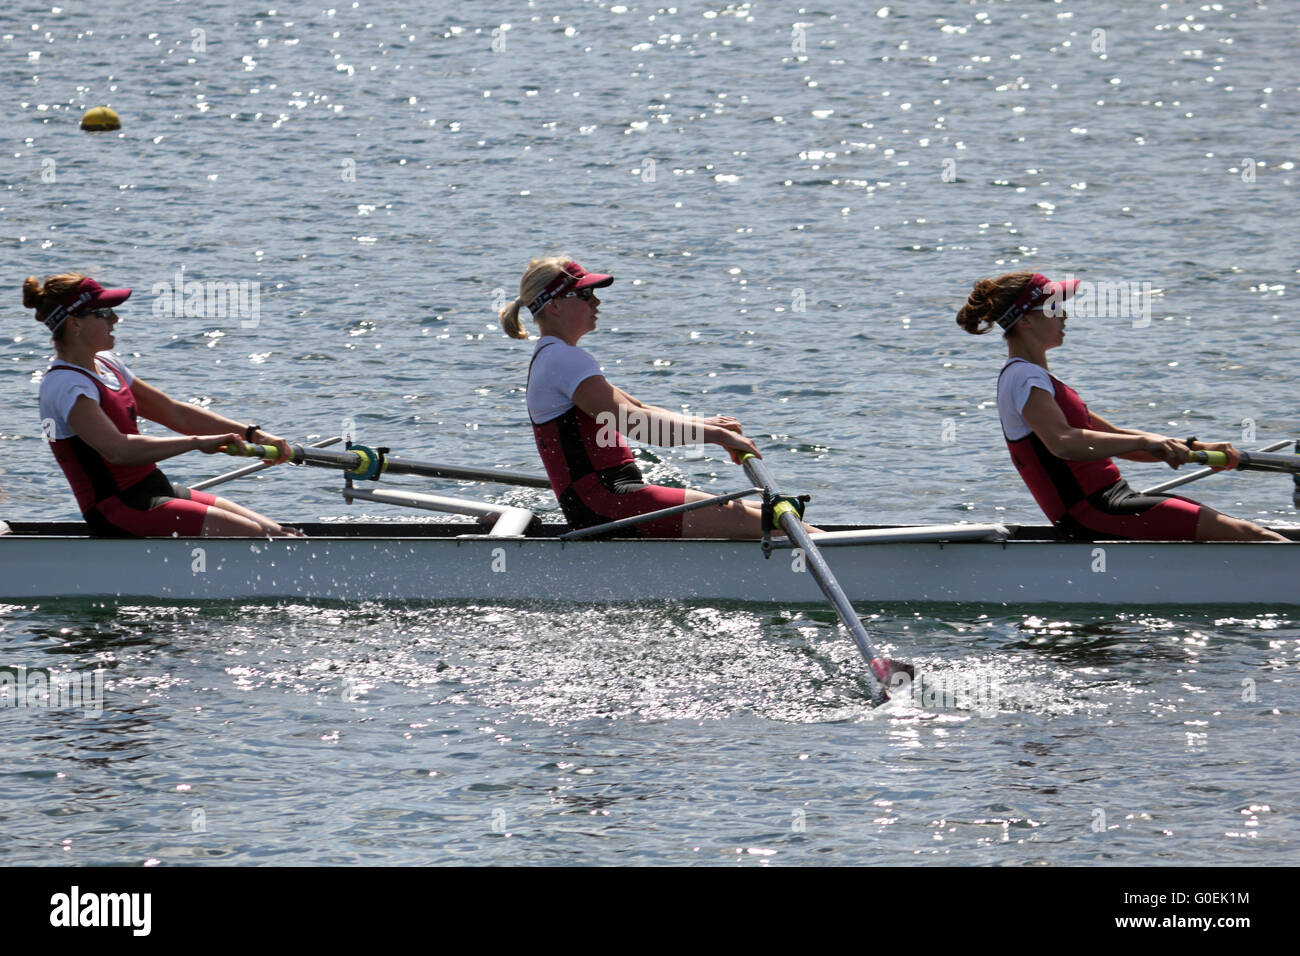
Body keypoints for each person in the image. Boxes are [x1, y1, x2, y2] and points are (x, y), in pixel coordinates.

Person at [956, 271, 1284, 541]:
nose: (1065, 314)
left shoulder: (1036, 378)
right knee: (1247, 533)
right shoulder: (1023, 378)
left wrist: (1193, 447)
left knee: (1238, 531)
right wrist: (1146, 442)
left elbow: (1114, 437)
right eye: (1054, 308)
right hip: (1094, 510)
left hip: (1112, 502)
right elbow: (1063, 443)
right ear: (1025, 320)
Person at [498, 256, 809, 538]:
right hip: (609, 506)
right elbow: (638, 425)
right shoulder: (563, 360)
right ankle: (849, 565)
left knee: (773, 516)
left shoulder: (555, 358)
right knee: (774, 521)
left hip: (608, 503)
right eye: (585, 294)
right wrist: (713, 435)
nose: (597, 302)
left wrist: (708, 424)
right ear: (554, 305)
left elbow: (639, 408)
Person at [23, 272, 299, 538]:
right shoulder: (66, 385)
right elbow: (118, 450)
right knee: (262, 540)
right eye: (104, 313)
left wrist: (253, 433)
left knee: (278, 533)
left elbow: (175, 413)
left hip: (156, 489)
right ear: (75, 324)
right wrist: (196, 443)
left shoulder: (107, 363)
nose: (116, 319)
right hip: (120, 509)